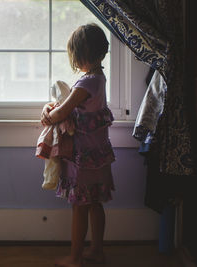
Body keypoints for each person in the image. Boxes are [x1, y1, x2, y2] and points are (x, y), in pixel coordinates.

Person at [41, 23, 115, 267]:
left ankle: (75, 258)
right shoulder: (98, 78)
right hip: (99, 154)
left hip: (83, 155)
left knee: (79, 207)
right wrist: (52, 110)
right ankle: (97, 251)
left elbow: (62, 112)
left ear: (80, 55)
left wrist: (47, 112)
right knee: (94, 203)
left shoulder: (86, 84)